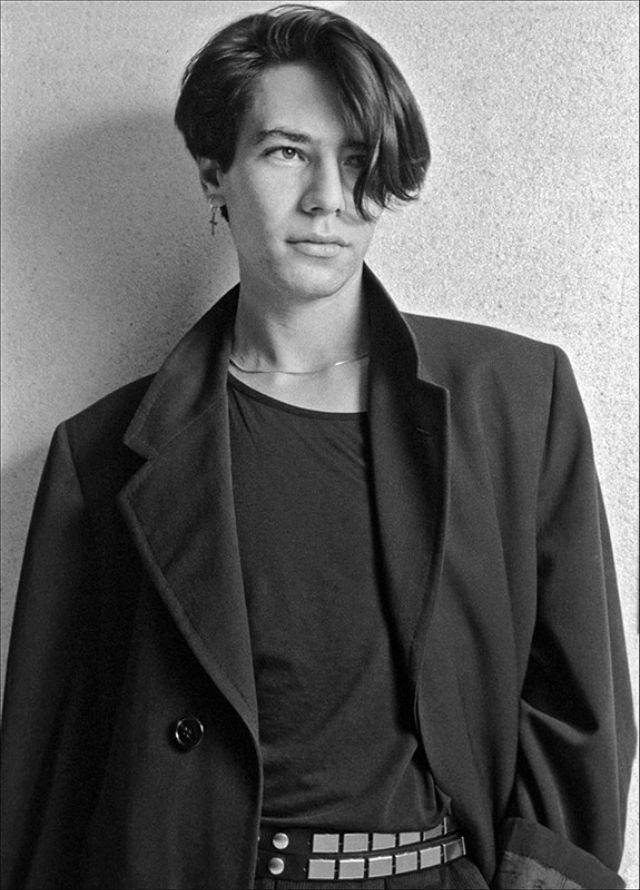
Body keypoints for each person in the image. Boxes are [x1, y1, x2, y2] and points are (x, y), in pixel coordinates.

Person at [0, 4, 635, 889]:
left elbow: (582, 707)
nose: (328, 198)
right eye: (287, 152)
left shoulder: (518, 401)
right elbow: (50, 776)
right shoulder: (102, 456)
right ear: (214, 174)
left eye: (358, 159)